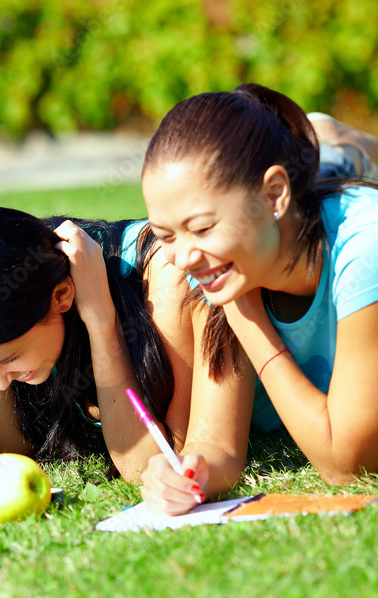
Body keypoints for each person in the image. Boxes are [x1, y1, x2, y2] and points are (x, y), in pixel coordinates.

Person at [139, 83, 378, 515]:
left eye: (202, 227)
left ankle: (339, 146)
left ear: (273, 195)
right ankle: (330, 149)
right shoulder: (219, 268)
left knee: (337, 176)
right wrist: (188, 473)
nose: (185, 257)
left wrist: (246, 315)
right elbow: (215, 442)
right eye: (165, 234)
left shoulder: (365, 247)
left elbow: (349, 466)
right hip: (291, 212)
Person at [0, 205, 200, 481]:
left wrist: (100, 320)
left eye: (8, 358)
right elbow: (7, 456)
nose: (1, 386)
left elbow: (149, 465)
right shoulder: (26, 289)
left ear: (61, 296)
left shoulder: (166, 274)